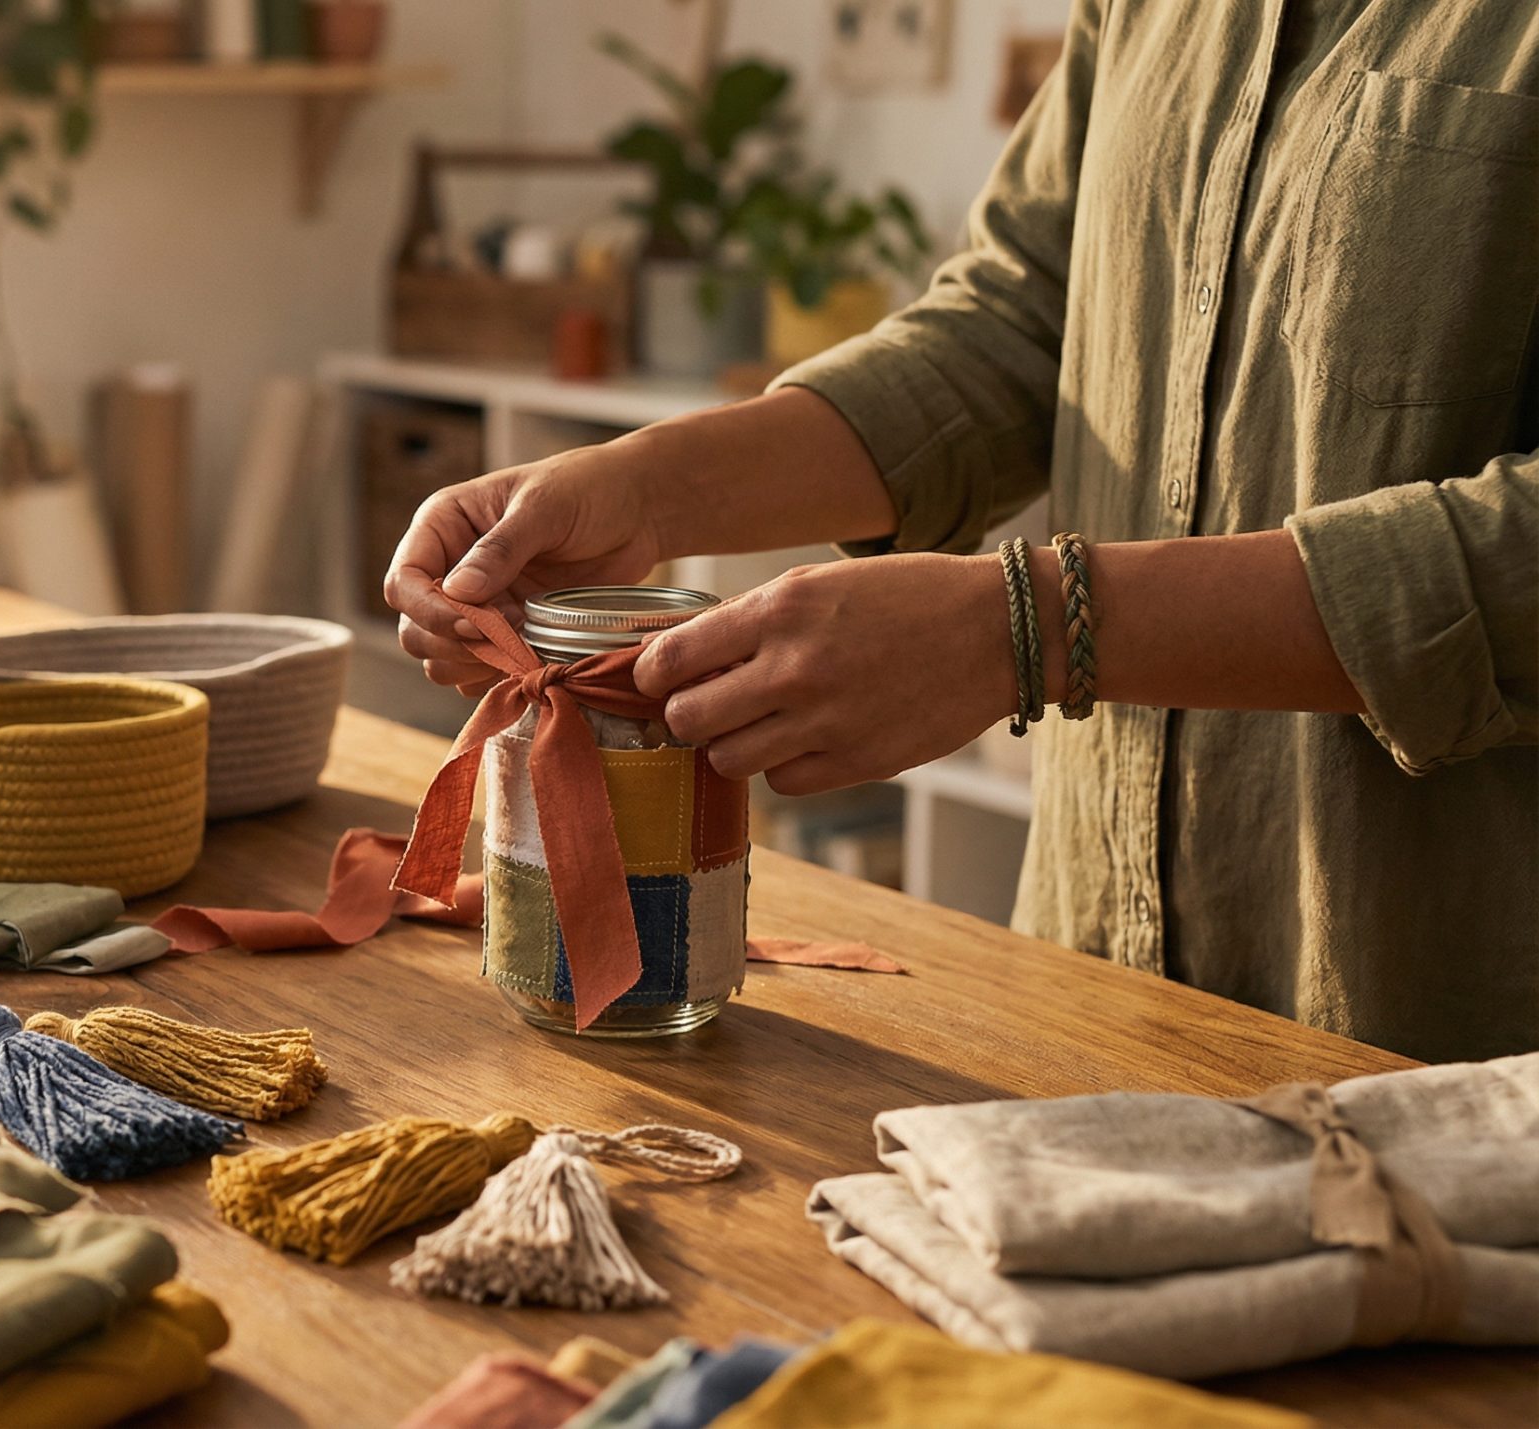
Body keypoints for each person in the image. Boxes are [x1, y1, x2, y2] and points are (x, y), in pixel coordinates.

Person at [385, 2, 1537, 1065]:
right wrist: (642, 487)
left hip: (1427, 1043)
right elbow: (1016, 328)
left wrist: (1025, 630)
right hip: (1084, 981)